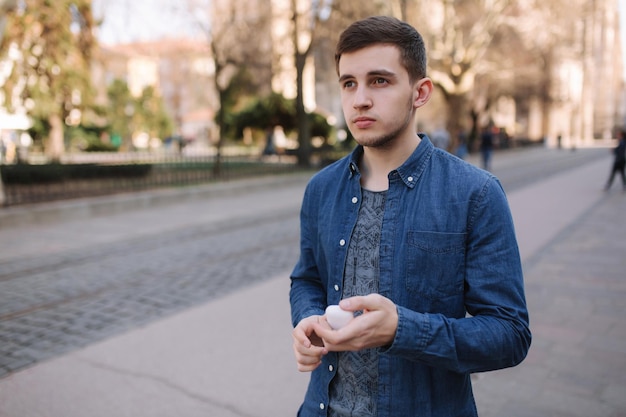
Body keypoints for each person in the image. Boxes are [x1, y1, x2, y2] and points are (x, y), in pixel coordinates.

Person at [290, 16, 531, 417]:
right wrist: (308, 319)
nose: (359, 99)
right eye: (349, 83)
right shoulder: (321, 188)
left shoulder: (475, 193)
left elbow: (509, 334)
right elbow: (307, 279)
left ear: (420, 93)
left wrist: (402, 329)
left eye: (379, 81)